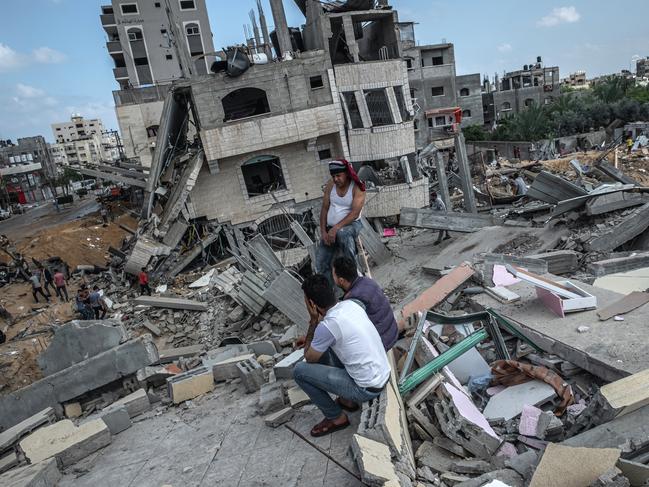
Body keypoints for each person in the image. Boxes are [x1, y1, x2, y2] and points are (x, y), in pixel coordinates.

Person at [293, 274, 390, 437]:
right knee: (327, 345)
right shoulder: (351, 304)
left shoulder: (328, 325)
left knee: (299, 371)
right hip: (382, 373)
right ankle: (347, 400)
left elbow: (309, 357)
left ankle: (336, 417)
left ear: (311, 303)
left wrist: (313, 321)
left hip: (366, 388)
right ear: (331, 291)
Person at [332, 256, 399, 351]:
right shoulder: (367, 281)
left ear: (341, 280)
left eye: (333, 275)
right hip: (393, 332)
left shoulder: (353, 299)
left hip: (384, 343)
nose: (332, 277)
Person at [316, 160, 366, 288]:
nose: (336, 179)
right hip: (331, 228)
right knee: (321, 262)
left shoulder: (357, 187)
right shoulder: (330, 185)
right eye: (333, 176)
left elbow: (355, 214)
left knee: (343, 234)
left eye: (339, 175)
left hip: (351, 225)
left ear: (346, 174)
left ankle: (353, 278)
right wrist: (323, 232)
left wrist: (336, 228)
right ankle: (330, 293)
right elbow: (324, 209)